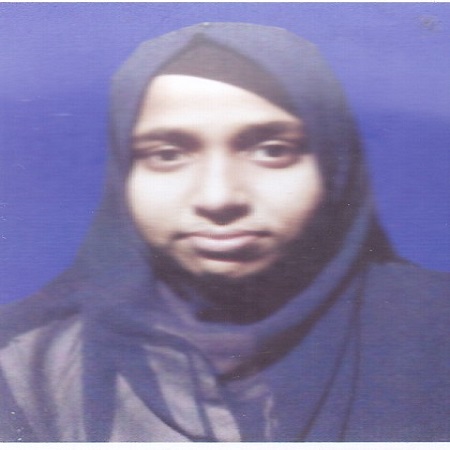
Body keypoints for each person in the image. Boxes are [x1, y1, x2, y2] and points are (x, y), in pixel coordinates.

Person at [0, 22, 449, 442]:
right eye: (167, 154)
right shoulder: (26, 364)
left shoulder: (434, 330)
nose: (218, 197)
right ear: (123, 172)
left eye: (273, 150)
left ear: (335, 166)